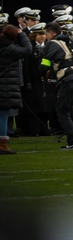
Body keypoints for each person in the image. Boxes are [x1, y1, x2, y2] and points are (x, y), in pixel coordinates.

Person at [40, 21, 73, 150]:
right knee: (71, 108)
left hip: (69, 79)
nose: (45, 36)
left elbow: (45, 64)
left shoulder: (52, 44)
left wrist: (40, 72)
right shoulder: (72, 41)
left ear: (51, 33)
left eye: (46, 34)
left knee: (62, 110)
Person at [0, 24, 33, 154]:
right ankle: (2, 144)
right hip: (5, 85)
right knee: (3, 115)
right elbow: (28, 50)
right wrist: (22, 34)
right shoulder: (9, 48)